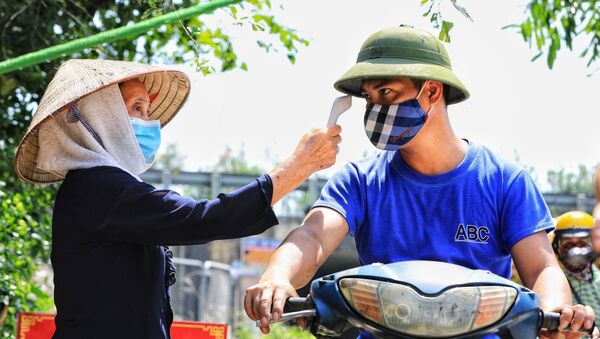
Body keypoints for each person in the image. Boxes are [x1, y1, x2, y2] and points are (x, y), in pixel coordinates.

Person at [244, 25, 598, 338]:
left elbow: (541, 268)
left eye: (387, 93)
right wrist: (278, 276)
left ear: (431, 92)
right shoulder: (360, 181)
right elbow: (313, 236)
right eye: (369, 97)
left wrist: (555, 314)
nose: (374, 109)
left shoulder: (505, 181)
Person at [12, 59, 342, 339]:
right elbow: (204, 217)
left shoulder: (102, 190)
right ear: (99, 116)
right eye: (136, 109)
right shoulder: (97, 187)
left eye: (148, 109)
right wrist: (298, 167)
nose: (149, 122)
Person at [551, 211, 600, 316]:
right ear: (557, 247)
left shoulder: (598, 278)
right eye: (567, 243)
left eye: (582, 242)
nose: (576, 250)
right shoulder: (553, 283)